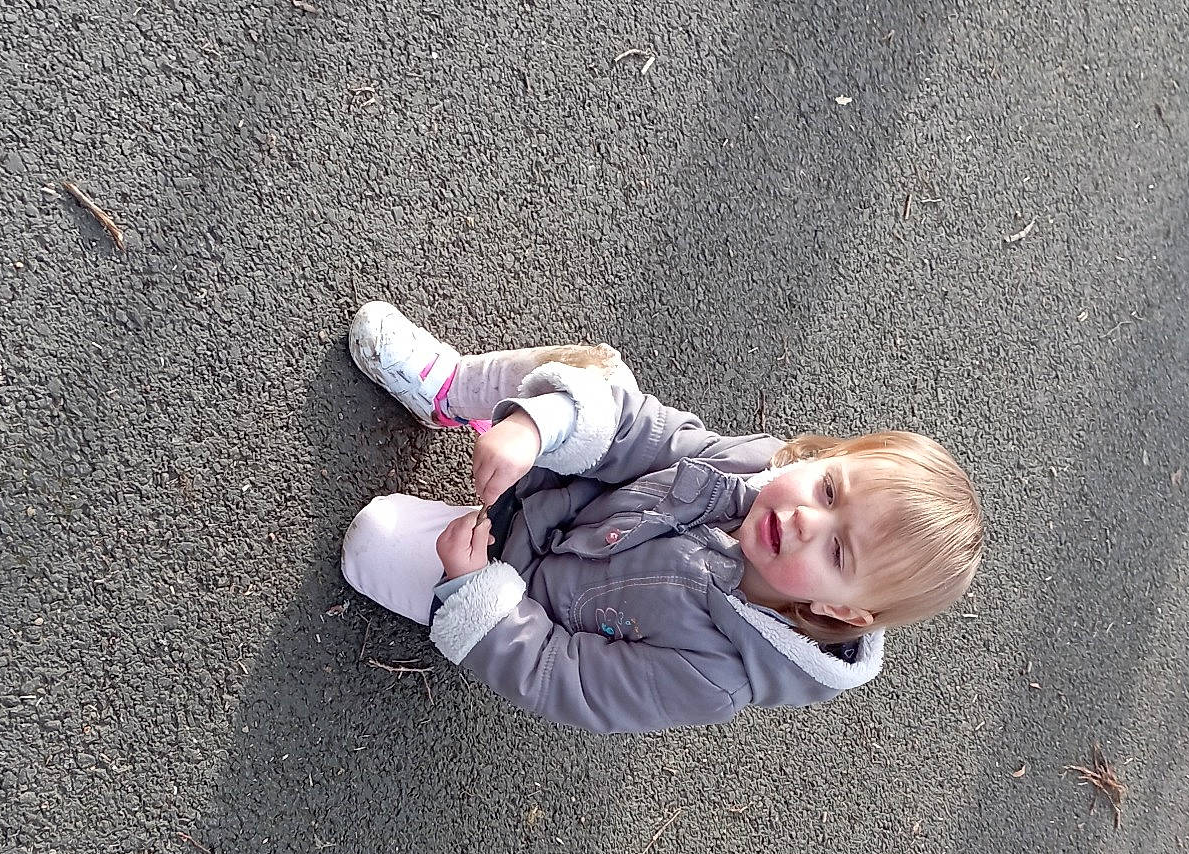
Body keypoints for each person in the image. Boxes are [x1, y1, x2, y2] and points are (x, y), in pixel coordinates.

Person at [339, 301, 984, 735]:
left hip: (515, 584)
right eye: (829, 487)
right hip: (553, 485)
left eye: (838, 553)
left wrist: (478, 594)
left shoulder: (717, 675)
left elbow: (571, 678)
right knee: (590, 376)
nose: (804, 519)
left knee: (371, 541)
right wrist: (537, 429)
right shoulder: (757, 471)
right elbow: (636, 430)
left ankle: (458, 564)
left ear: (842, 612)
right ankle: (452, 390)